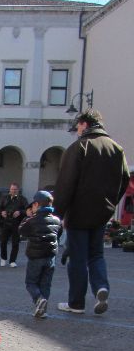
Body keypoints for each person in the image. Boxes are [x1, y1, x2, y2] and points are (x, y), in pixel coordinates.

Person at [53, 108, 130, 315]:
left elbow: (65, 184)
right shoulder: (116, 149)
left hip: (79, 212)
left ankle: (76, 302)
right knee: (96, 254)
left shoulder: (79, 147)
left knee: (77, 257)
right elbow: (124, 180)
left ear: (85, 124)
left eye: (77, 126)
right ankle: (101, 287)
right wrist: (111, 203)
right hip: (102, 211)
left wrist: (57, 214)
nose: (76, 130)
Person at [19, 190, 61, 319]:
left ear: (37, 204)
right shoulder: (56, 220)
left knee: (31, 282)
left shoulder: (33, 220)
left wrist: (28, 216)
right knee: (45, 284)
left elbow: (21, 231)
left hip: (35, 256)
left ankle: (38, 299)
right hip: (50, 257)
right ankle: (43, 310)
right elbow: (57, 235)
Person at [0, 182, 28, 267]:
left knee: (15, 243)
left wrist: (20, 212)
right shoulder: (4, 198)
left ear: (18, 190)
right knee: (3, 242)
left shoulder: (22, 199)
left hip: (17, 223)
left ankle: (12, 261)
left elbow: (27, 210)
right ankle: (3, 258)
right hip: (5, 222)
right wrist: (1, 212)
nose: (13, 191)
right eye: (12, 189)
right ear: (9, 189)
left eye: (15, 189)